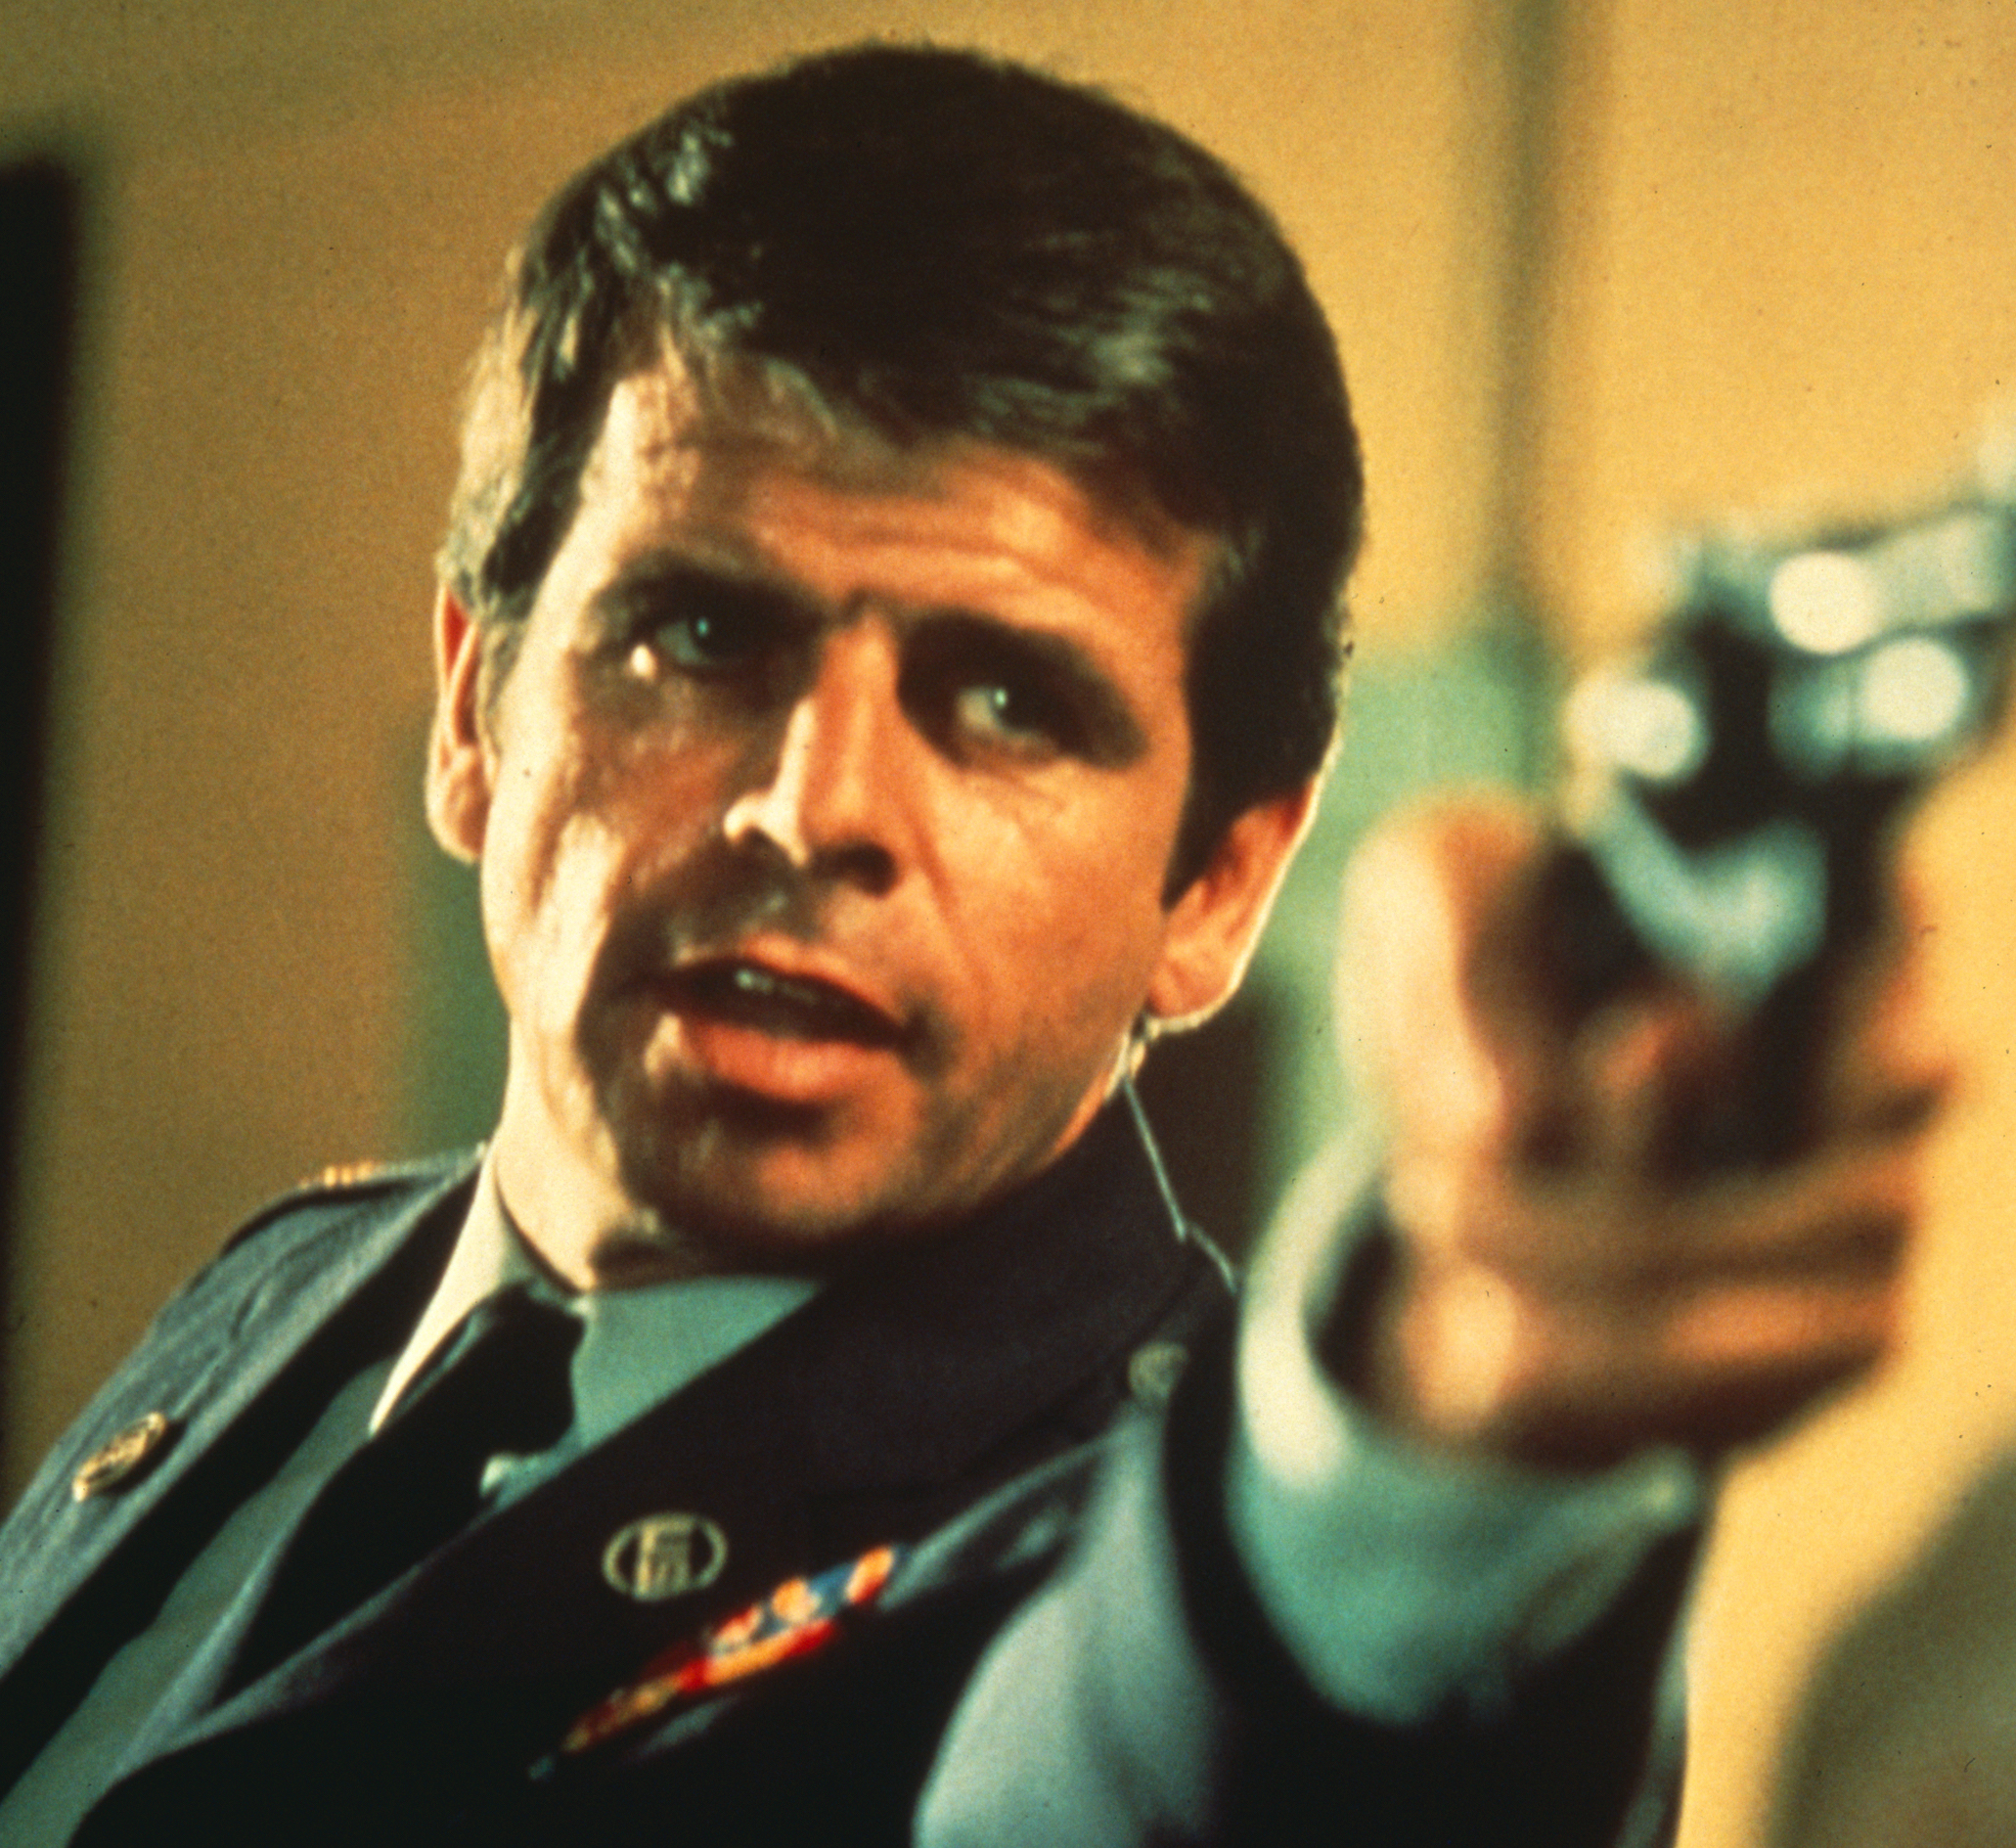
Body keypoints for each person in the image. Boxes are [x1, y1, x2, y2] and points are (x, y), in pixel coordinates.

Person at [0, 41, 1944, 1846]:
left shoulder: (1155, 1565)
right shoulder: (288, 1287)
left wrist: (1428, 1444)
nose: (814, 804)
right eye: (698, 634)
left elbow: (1196, 1751)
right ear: (470, 707)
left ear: (1218, 887)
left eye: (1008, 701)